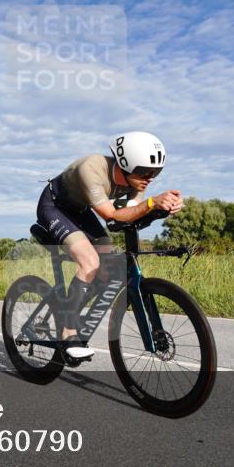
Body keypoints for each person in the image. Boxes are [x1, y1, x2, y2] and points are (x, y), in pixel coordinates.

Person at [36, 132, 183, 361]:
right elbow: (111, 215)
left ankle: (70, 306)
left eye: (156, 172)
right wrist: (152, 202)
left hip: (82, 211)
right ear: (124, 164)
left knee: (109, 266)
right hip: (55, 207)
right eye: (144, 171)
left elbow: (128, 217)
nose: (150, 178)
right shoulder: (91, 169)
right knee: (90, 262)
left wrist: (160, 210)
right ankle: (68, 331)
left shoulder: (137, 182)